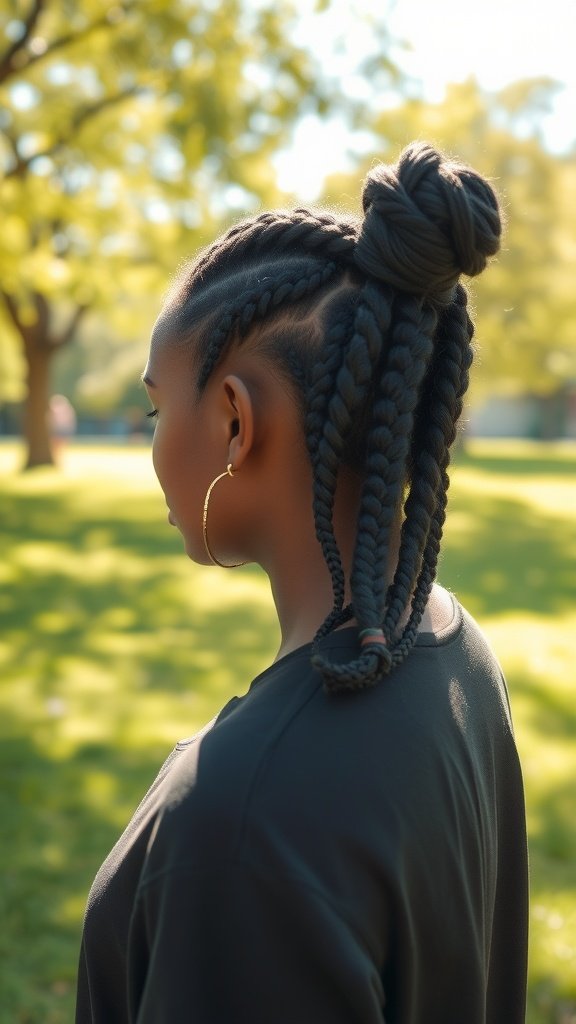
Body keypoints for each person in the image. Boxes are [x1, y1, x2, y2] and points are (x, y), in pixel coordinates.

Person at [76, 142, 528, 1024]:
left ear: (234, 422)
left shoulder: (241, 828)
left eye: (156, 408)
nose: (152, 441)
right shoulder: (455, 648)